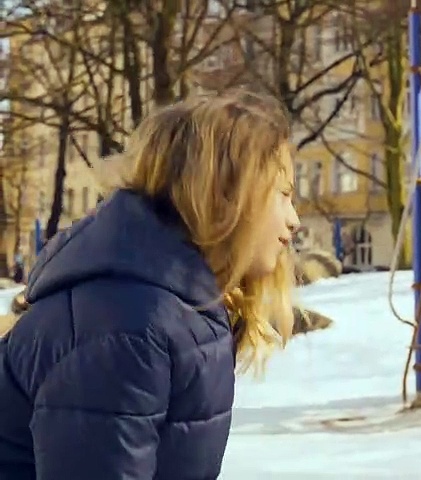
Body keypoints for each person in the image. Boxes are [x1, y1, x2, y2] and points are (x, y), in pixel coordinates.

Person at [0, 88, 301, 479]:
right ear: (226, 195)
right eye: (282, 195)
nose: (294, 220)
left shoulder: (179, 309)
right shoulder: (129, 325)